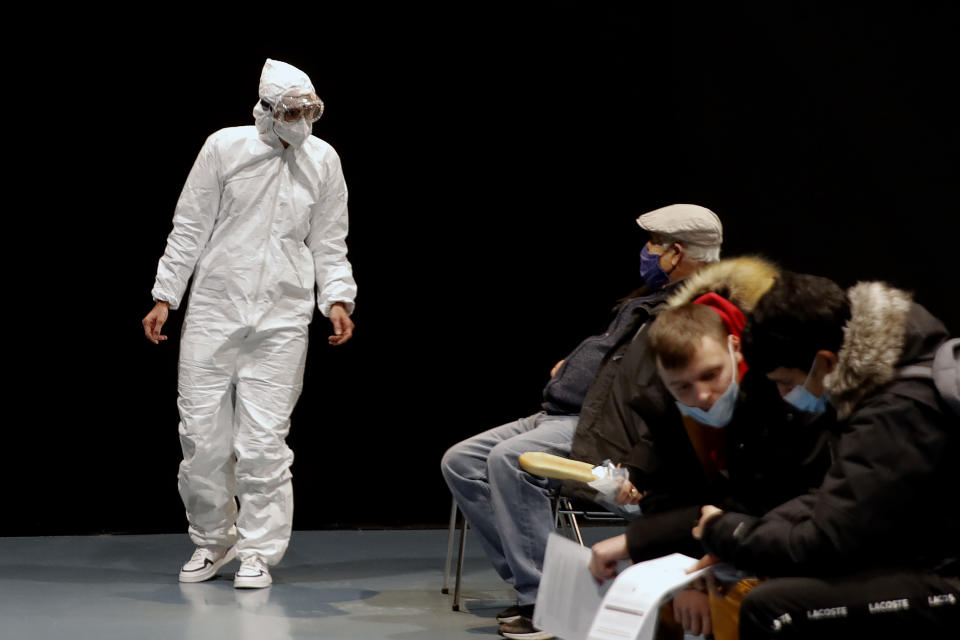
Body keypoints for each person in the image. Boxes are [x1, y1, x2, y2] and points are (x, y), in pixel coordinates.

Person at [441, 204, 723, 640]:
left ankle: (544, 602)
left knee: (511, 460)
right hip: (562, 413)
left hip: (602, 427)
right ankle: (540, 581)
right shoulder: (651, 296)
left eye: (652, 245)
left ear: (676, 252)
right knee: (461, 461)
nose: (646, 253)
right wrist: (574, 366)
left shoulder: (696, 309)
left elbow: (658, 393)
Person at [141, 58, 357, 589]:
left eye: (310, 110)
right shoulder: (224, 147)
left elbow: (329, 240)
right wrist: (165, 296)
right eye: (292, 110)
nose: (302, 119)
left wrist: (337, 298)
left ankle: (258, 551)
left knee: (263, 442)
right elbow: (189, 225)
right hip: (217, 308)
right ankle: (213, 541)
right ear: (266, 109)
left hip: (281, 318)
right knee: (201, 439)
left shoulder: (323, 160)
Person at [690, 273, 960, 638]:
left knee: (773, 609)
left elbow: (827, 541)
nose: (785, 394)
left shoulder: (896, 409)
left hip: (948, 579)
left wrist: (729, 533)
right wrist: (744, 533)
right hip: (927, 552)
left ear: (826, 362)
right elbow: (837, 499)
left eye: (786, 382)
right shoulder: (888, 371)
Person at [586, 260, 831, 639]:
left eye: (711, 375)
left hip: (784, 533)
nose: (701, 396)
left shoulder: (784, 387)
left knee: (734, 594)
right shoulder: (663, 397)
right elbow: (669, 491)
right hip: (717, 529)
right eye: (681, 386)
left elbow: (772, 497)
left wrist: (657, 551)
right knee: (650, 598)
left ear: (734, 346)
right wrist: (685, 579)